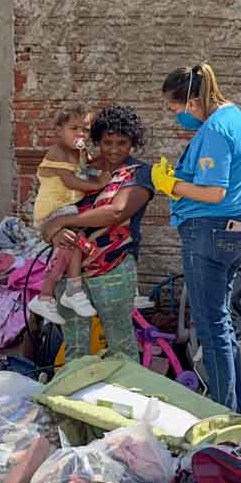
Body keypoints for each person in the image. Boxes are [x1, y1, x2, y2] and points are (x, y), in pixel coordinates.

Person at [152, 64, 241, 416]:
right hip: (232, 228)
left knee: (210, 326)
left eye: (177, 109)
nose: (178, 117)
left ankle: (223, 414)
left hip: (208, 229)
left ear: (193, 101)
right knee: (221, 321)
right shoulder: (237, 119)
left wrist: (171, 185)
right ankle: (239, 411)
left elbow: (214, 191)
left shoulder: (215, 129)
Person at [39, 105, 156, 364]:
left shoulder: (139, 173)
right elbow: (52, 204)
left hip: (112, 268)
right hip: (69, 270)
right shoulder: (82, 171)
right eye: (107, 142)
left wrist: (62, 221)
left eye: (122, 143)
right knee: (75, 346)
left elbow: (116, 212)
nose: (114, 149)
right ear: (97, 141)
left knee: (120, 345)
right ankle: (73, 401)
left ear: (133, 143)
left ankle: (127, 399)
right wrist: (52, 232)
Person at [32, 108, 102, 226]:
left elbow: (87, 165)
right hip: (52, 210)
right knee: (77, 217)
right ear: (60, 131)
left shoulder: (80, 150)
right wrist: (98, 185)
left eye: (85, 130)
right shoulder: (58, 152)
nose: (80, 133)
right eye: (74, 128)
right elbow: (70, 181)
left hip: (69, 205)